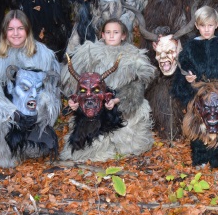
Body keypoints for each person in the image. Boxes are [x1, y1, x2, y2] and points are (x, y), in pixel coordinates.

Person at [0, 10, 61, 168]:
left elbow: (51, 92)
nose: (15, 34)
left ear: (27, 30)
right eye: (11, 29)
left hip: (33, 116)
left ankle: (28, 143)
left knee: (38, 148)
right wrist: (11, 114)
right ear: (4, 32)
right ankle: (1, 150)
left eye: (20, 28)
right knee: (0, 142)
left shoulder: (45, 56)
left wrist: (37, 111)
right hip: (4, 119)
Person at [61, 18, 156, 162]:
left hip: (121, 107)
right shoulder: (88, 54)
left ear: (123, 35)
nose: (111, 36)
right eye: (108, 32)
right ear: (102, 35)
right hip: (92, 105)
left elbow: (137, 87)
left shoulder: (133, 58)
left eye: (116, 32)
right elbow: (77, 83)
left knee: (126, 138)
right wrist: (76, 100)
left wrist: (119, 100)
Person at [171, 6, 218, 106]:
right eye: (202, 25)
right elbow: (181, 74)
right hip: (198, 97)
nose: (206, 29)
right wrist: (187, 79)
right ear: (197, 26)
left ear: (216, 25)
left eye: (210, 25)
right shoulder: (190, 48)